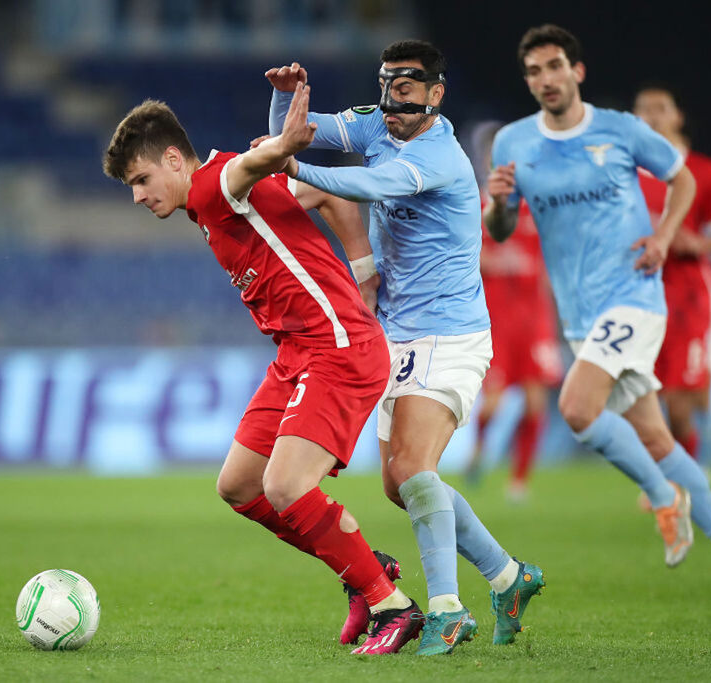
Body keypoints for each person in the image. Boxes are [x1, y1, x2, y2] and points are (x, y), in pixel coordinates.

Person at [101, 86, 425, 654]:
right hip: (297, 355)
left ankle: (391, 605)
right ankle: (362, 570)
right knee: (240, 486)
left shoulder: (217, 184)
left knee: (284, 485)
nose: (136, 196)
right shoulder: (223, 197)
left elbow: (257, 162)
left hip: (336, 349)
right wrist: (364, 272)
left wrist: (284, 144)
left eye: (141, 179)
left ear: (174, 159)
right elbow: (331, 198)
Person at [265, 40, 545, 655]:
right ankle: (507, 577)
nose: (394, 100)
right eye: (389, 85)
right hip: (395, 333)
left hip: (451, 331)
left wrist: (287, 166)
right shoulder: (377, 124)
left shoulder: (440, 157)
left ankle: (446, 609)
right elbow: (302, 135)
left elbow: (364, 183)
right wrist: (284, 102)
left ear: (436, 93)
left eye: (409, 88)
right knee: (399, 484)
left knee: (415, 468)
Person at [485, 24, 711, 605]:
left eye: (555, 66)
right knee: (657, 437)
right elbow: (503, 228)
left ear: (577, 71)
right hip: (580, 315)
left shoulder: (619, 129)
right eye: (534, 71)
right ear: (528, 81)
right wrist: (498, 205)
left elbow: (682, 178)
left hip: (634, 297)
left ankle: (664, 497)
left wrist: (664, 237)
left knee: (576, 407)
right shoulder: (513, 143)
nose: (546, 79)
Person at [633, 85, 711, 468]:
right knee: (647, 395)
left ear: (677, 117)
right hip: (638, 298)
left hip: (690, 298)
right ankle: (679, 469)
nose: (652, 116)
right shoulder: (623, 175)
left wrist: (701, 244)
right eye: (643, 109)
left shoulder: (701, 171)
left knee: (682, 402)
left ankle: (683, 479)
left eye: (661, 108)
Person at [463, 122, 563, 501]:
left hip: (534, 318)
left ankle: (519, 481)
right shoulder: (478, 205)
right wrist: (483, 259)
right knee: (494, 400)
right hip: (496, 319)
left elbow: (549, 265)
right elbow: (466, 258)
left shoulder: (538, 206)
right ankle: (478, 447)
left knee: (537, 400)